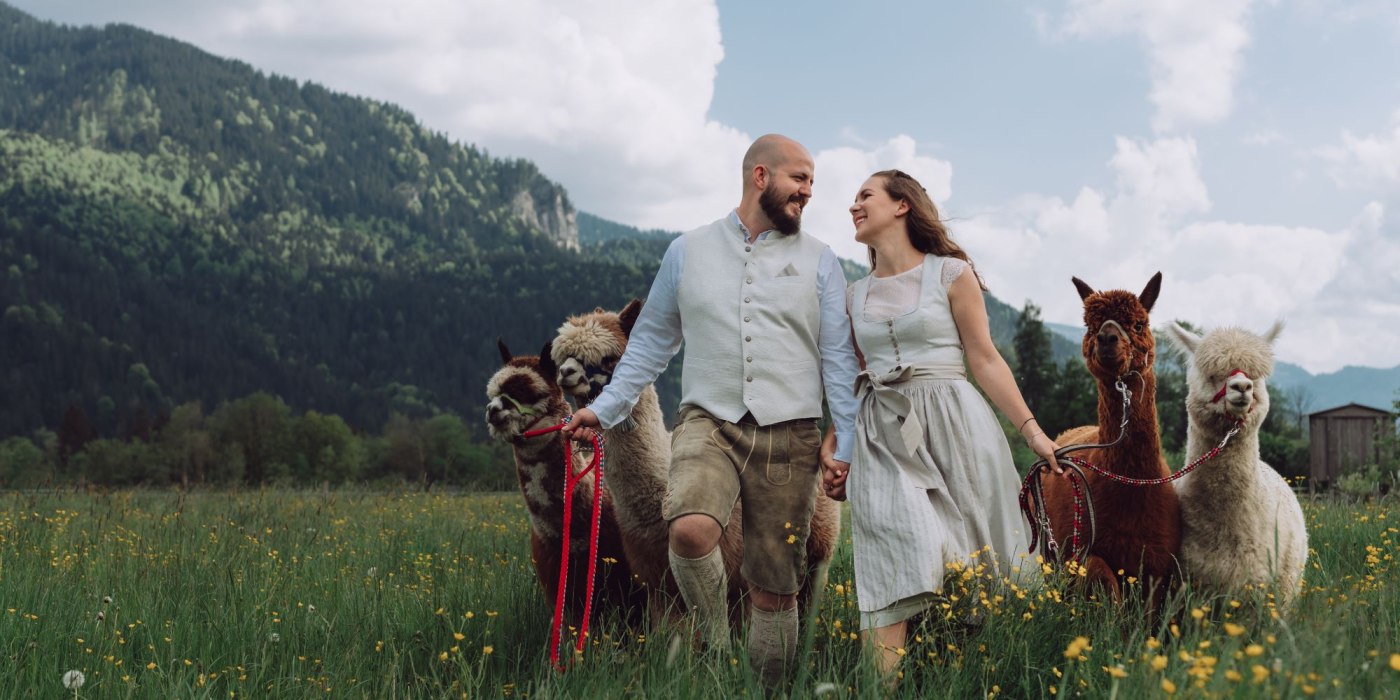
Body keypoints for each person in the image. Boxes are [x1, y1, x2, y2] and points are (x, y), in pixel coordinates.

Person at [564, 134, 860, 686]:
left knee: (775, 586)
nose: (808, 192)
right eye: (799, 178)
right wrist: (603, 410)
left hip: (789, 430)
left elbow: (839, 357)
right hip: (707, 423)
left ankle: (766, 689)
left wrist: (845, 439)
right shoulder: (687, 251)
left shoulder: (820, 259)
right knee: (689, 531)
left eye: (812, 183)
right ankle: (718, 649)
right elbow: (649, 344)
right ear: (760, 176)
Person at [820, 169, 1060, 679]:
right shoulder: (852, 295)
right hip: (882, 433)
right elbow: (852, 377)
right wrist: (838, 444)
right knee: (894, 547)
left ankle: (977, 674)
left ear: (901, 205)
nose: (854, 206)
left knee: (979, 561)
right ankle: (880, 688)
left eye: (865, 195)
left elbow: (985, 359)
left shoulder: (951, 274)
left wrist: (1034, 433)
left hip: (955, 423)